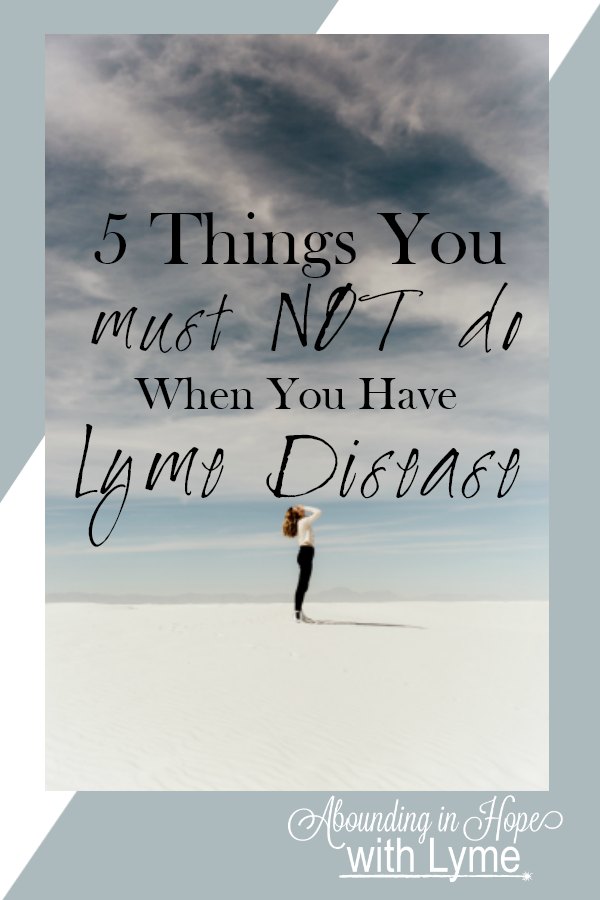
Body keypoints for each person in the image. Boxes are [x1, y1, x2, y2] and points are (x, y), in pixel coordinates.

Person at [282, 505, 322, 622]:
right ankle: (297, 613)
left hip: (306, 553)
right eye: (298, 509)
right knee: (302, 585)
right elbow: (318, 512)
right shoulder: (303, 521)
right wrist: (305, 507)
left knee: (304, 585)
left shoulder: (302, 522)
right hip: (305, 553)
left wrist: (300, 509)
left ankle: (299, 612)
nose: (301, 509)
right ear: (297, 514)